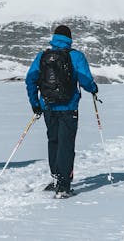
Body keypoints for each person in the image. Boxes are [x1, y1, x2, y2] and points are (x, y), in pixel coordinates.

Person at [25, 24, 98, 197]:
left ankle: (56, 177)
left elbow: (30, 79)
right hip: (69, 107)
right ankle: (64, 186)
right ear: (70, 39)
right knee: (66, 144)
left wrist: (35, 104)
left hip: (48, 106)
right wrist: (93, 88)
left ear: (54, 38)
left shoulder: (43, 56)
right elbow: (85, 79)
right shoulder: (75, 56)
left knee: (54, 141)